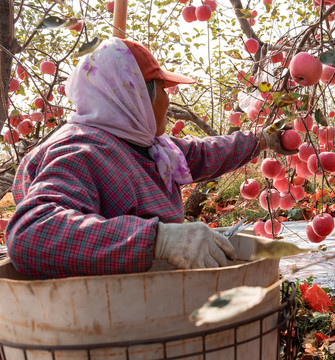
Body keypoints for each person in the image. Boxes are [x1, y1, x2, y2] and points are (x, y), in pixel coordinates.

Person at [5, 37, 294, 279]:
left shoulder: (146, 145)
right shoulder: (80, 151)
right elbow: (33, 233)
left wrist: (260, 140)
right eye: (161, 89)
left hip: (147, 305)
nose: (168, 101)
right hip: (104, 322)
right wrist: (159, 240)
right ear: (137, 95)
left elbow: (202, 154)